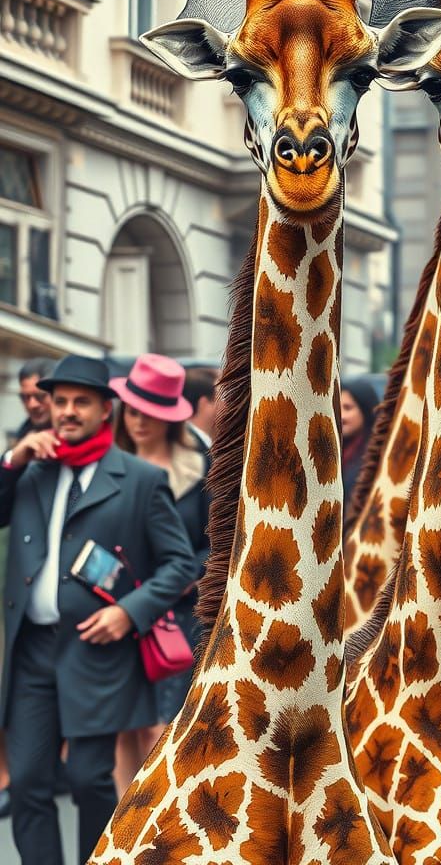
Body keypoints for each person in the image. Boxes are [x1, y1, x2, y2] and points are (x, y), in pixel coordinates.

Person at [0, 354, 194, 865]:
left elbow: (180, 563)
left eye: (80, 402)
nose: (67, 411)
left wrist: (129, 611)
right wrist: (12, 460)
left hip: (97, 654)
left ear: (105, 410)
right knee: (28, 782)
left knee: (89, 779)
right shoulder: (30, 470)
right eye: (59, 401)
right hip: (32, 652)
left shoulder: (140, 479)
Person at [111, 354, 210, 790]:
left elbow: (220, 538)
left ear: (170, 415)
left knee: (162, 726)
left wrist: (189, 574)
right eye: (132, 411)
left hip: (179, 612)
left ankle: (157, 818)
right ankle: (123, 822)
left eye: (149, 412)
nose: (138, 421)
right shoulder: (108, 464)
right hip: (118, 609)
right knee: (123, 723)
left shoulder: (201, 465)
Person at [0, 356, 57, 820]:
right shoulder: (22, 441)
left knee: (93, 774)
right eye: (25, 398)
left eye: (39, 395)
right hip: (27, 609)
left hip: (88, 613)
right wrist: (13, 460)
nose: (33, 404)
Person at [340, 378, 379, 501]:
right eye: (337, 408)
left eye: (347, 408)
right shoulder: (329, 450)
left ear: (365, 410)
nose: (341, 416)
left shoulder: (379, 453)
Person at [181, 365, 219, 452]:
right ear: (204, 403)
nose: (227, 404)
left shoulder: (201, 442)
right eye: (222, 398)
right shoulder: (191, 449)